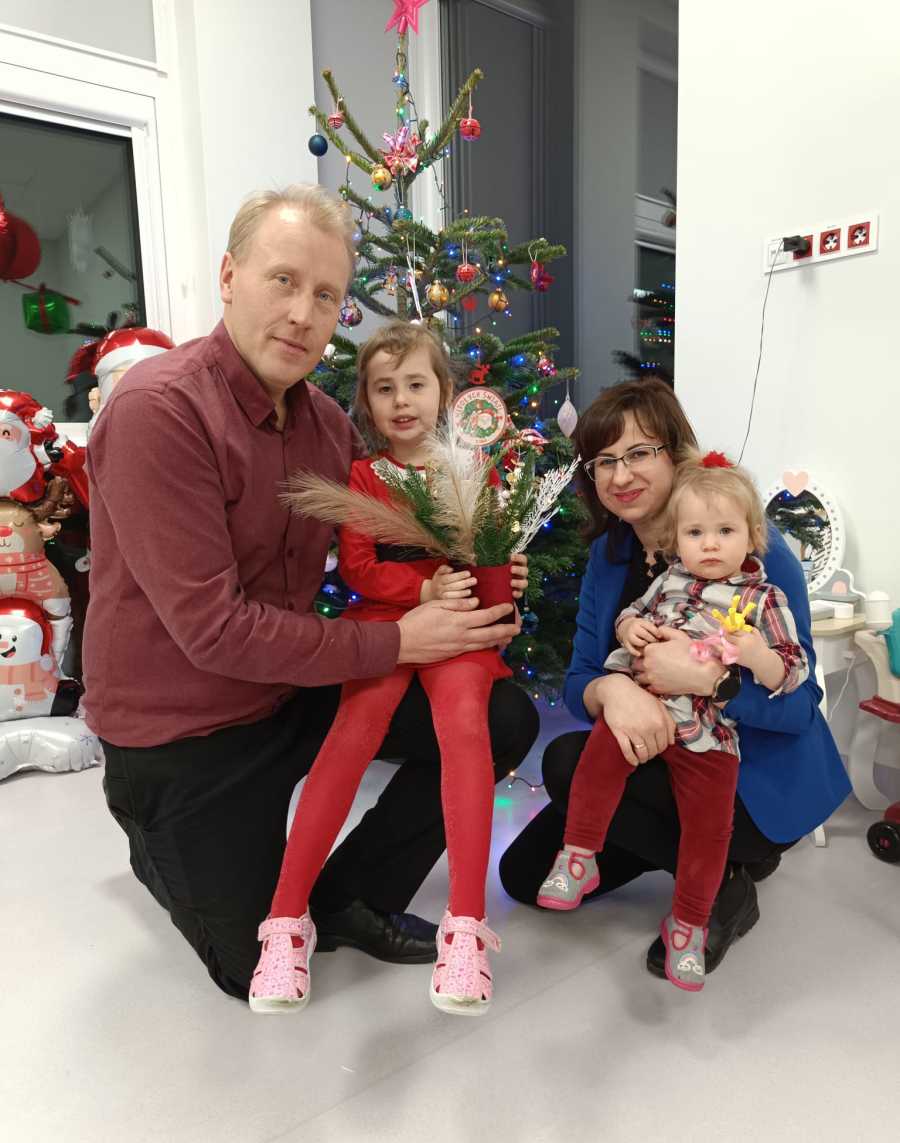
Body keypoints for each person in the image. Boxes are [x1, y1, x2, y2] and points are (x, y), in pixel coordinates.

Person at [84, 184, 538, 1002]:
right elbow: (214, 630)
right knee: (243, 967)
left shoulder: (326, 425)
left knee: (502, 717)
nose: (303, 314)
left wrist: (481, 567)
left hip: (289, 690)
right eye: (284, 281)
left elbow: (396, 535)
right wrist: (400, 640)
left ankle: (349, 896)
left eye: (326, 295)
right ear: (230, 277)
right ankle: (155, 839)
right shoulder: (160, 411)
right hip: (186, 729)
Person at [499, 378, 849, 979]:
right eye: (604, 461)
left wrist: (711, 681)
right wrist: (613, 689)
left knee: (564, 761)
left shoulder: (754, 554)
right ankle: (668, 848)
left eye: (639, 452)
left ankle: (724, 885)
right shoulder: (610, 555)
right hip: (656, 755)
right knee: (522, 876)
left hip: (745, 778)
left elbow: (800, 704)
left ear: (676, 452)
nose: (620, 475)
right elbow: (581, 678)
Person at [250, 322, 526, 1016]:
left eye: (415, 384)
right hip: (386, 627)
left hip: (458, 628)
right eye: (383, 388)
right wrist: (421, 589)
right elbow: (360, 568)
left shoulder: (474, 470)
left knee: (467, 731)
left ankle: (466, 927)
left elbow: (490, 552)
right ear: (367, 403)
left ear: (444, 392)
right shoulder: (364, 477)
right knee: (351, 737)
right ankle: (286, 922)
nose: (401, 400)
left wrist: (503, 578)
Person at [535, 451, 808, 989]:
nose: (710, 545)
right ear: (676, 541)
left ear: (752, 536)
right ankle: (579, 855)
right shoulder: (668, 580)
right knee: (595, 758)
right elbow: (632, 614)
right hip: (647, 711)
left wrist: (754, 656)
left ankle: (690, 923)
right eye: (695, 533)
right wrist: (629, 628)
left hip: (709, 732)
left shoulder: (763, 598)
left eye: (725, 531)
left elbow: (793, 672)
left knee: (709, 828)